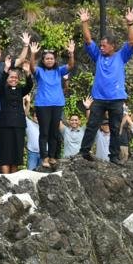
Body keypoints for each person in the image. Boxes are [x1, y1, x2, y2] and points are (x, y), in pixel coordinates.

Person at [78, 7, 133, 162]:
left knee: (115, 128)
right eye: (101, 45)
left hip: (116, 98)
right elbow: (87, 40)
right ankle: (84, 152)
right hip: (98, 98)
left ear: (112, 46)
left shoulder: (121, 56)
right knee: (92, 125)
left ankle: (114, 156)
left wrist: (130, 24)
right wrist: (85, 22)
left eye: (104, 45)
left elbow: (131, 42)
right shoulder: (98, 56)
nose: (101, 47)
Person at [26, 39, 75, 168]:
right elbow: (31, 67)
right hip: (42, 105)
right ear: (43, 60)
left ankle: (52, 156)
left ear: (55, 60)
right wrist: (32, 54)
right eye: (47, 58)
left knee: (54, 132)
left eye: (51, 58)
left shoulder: (59, 71)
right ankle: (44, 157)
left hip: (57, 104)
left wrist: (71, 53)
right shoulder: (40, 72)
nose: (49, 60)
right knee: (44, 132)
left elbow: (70, 66)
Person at [0, 61, 34, 173]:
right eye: (11, 77)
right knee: (6, 153)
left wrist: (27, 73)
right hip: (5, 125)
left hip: (19, 125)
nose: (13, 79)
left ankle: (14, 180)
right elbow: (1, 83)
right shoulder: (3, 90)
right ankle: (6, 179)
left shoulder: (20, 90)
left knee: (16, 154)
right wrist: (6, 68)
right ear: (7, 79)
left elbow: (29, 85)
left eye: (16, 78)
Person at [24, 96, 41, 170]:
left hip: (44, 154)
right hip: (32, 153)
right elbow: (24, 114)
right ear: (33, 116)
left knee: (43, 175)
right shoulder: (29, 124)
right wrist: (27, 102)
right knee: (30, 174)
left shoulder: (46, 125)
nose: (37, 117)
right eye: (36, 116)